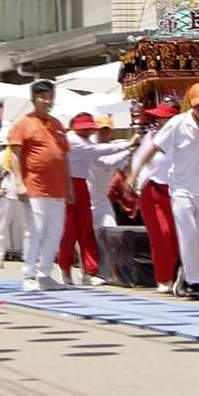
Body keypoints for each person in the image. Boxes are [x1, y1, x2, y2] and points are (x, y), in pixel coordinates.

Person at [131, 83, 199, 299]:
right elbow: (153, 148)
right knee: (189, 236)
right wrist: (134, 174)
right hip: (182, 190)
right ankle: (194, 283)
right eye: (197, 105)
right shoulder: (178, 123)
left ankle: (185, 273)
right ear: (190, 105)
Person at [9, 79, 73, 291]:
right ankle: (29, 275)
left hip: (58, 188)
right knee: (34, 231)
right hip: (35, 187)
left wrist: (69, 186)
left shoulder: (57, 125)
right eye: (42, 96)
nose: (47, 101)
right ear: (33, 99)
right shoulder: (23, 123)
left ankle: (45, 273)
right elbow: (15, 156)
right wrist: (19, 182)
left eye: (50, 97)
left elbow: (64, 158)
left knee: (55, 232)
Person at [58, 112, 134, 286]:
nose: (86, 133)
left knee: (86, 230)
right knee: (69, 232)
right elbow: (98, 151)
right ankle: (65, 268)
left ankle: (90, 271)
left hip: (82, 187)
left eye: (88, 130)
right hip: (68, 185)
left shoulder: (86, 142)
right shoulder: (73, 140)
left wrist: (127, 152)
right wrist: (128, 144)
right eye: (83, 130)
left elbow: (103, 162)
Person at [126, 102, 180, 293]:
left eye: (163, 117)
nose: (159, 121)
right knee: (161, 235)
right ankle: (162, 278)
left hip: (178, 192)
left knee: (175, 236)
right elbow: (139, 159)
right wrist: (132, 180)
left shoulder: (185, 138)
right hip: (154, 191)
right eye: (158, 117)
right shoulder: (151, 137)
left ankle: (173, 275)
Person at [88, 115, 134, 243]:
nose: (104, 133)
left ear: (111, 132)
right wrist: (129, 149)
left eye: (107, 130)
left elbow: (125, 167)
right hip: (86, 201)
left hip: (102, 201)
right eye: (101, 130)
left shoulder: (115, 149)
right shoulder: (90, 148)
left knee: (111, 234)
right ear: (95, 131)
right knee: (85, 239)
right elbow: (105, 162)